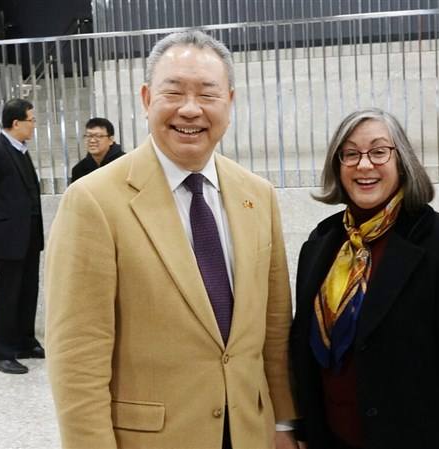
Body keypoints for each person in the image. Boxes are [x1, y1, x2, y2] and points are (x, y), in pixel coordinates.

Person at [44, 31, 298, 449]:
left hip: (250, 432)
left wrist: (285, 422)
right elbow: (77, 359)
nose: (191, 109)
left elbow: (273, 330)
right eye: (174, 92)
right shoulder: (94, 201)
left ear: (230, 103)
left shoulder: (258, 195)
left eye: (208, 94)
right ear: (146, 99)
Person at [289, 108, 439, 449]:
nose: (364, 165)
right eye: (351, 153)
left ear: (402, 161)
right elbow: (303, 351)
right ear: (337, 165)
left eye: (379, 151)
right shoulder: (320, 244)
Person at [0, 98, 45, 375]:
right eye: (31, 120)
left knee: (28, 290)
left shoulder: (20, 150)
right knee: (7, 293)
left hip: (28, 235)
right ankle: (2, 353)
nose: (34, 125)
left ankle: (24, 341)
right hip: (8, 236)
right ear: (16, 123)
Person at [70, 117, 125, 182]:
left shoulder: (125, 163)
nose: (92, 140)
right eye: (88, 136)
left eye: (98, 136)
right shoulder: (79, 169)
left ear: (111, 140)